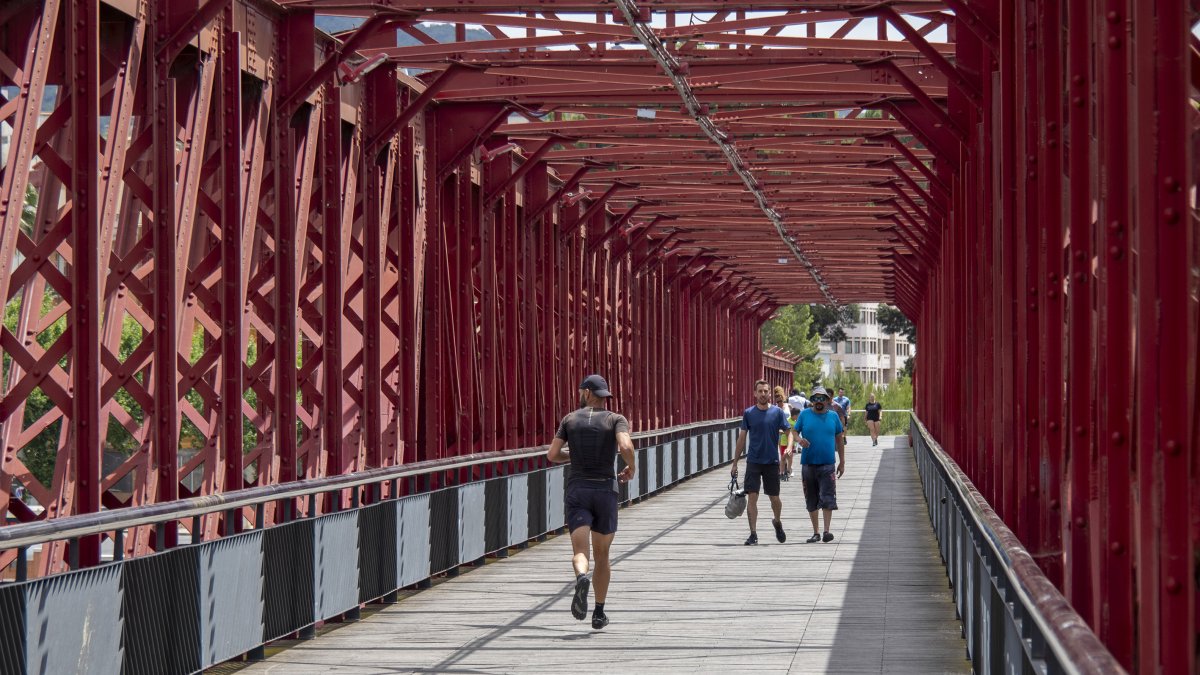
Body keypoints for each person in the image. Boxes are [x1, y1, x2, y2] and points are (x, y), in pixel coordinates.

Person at [547, 374, 636, 630]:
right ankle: (599, 612)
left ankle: (581, 576)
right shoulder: (615, 419)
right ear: (603, 396)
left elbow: (552, 454)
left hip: (578, 489)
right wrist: (631, 466)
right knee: (603, 555)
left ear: (586, 392)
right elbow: (625, 445)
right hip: (605, 490)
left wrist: (572, 456)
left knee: (580, 552)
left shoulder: (569, 420)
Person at [730, 379, 791, 545]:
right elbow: (742, 438)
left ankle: (777, 521)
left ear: (769, 393)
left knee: (775, 499)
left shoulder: (777, 413)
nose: (763, 394)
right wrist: (735, 462)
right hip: (754, 461)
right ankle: (753, 534)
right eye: (760, 391)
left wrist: (789, 447)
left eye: (766, 391)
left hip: (771, 461)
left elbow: (788, 431)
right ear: (755, 393)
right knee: (752, 498)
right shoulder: (749, 413)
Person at [794, 386, 845, 543]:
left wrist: (842, 461)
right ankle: (815, 532)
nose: (818, 401)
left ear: (828, 400)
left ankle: (826, 531)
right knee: (811, 498)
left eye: (822, 398)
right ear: (812, 401)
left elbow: (839, 439)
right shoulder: (804, 415)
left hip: (828, 463)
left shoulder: (833, 417)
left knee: (828, 497)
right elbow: (794, 432)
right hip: (808, 463)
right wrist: (799, 440)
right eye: (815, 398)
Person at [773, 387, 791, 480]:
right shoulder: (775, 408)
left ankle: (787, 469)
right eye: (777, 401)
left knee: (788, 452)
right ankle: (782, 471)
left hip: (788, 431)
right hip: (779, 432)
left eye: (780, 400)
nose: (779, 402)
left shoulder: (788, 406)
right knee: (781, 452)